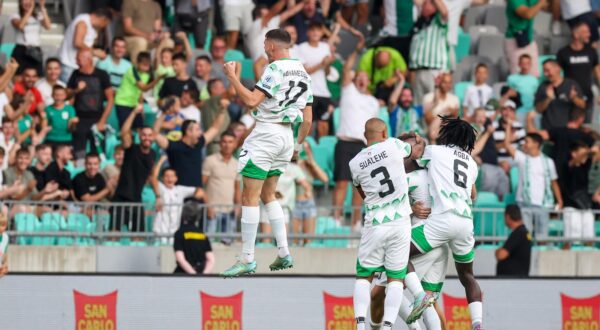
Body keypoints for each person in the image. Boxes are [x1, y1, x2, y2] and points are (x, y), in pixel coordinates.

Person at [220, 29, 313, 277]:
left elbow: (251, 101)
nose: (264, 49)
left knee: (249, 197)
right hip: (286, 136)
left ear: (272, 46)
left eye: (264, 45)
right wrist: (297, 145)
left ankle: (247, 258)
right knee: (269, 194)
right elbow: (307, 120)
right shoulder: (304, 72)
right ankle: (283, 252)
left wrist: (232, 77)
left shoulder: (275, 69)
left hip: (266, 133)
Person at [405, 116, 483, 328]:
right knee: (468, 277)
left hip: (442, 219)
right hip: (466, 224)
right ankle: (477, 323)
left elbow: (412, 159)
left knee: (397, 249)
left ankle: (418, 295)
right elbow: (473, 194)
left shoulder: (435, 151)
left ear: (448, 134)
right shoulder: (472, 164)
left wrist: (418, 143)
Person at [350, 119, 424, 330]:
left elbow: (363, 193)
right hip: (400, 221)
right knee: (396, 278)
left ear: (366, 136)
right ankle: (387, 326)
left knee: (364, 276)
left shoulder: (354, 163)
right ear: (384, 132)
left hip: (375, 222)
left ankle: (360, 326)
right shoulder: (394, 145)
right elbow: (416, 152)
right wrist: (420, 139)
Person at [370, 140, 448, 329]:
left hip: (420, 239)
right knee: (428, 300)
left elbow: (386, 199)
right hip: (440, 242)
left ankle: (411, 328)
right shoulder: (440, 175)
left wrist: (411, 209)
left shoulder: (412, 177)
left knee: (390, 291)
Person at [332, 31, 379, 230]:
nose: (361, 79)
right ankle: (336, 219)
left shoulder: (374, 102)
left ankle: (356, 222)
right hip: (344, 142)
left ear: (368, 82)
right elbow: (347, 68)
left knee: (359, 187)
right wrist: (357, 51)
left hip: (362, 146)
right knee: (342, 183)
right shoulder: (347, 90)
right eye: (358, 76)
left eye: (364, 77)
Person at [503, 126, 563, 239]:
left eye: (527, 142)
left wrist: (559, 201)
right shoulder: (522, 158)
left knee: (542, 237)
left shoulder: (548, 162)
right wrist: (508, 127)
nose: (524, 144)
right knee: (526, 236)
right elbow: (507, 145)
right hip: (523, 203)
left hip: (543, 205)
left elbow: (554, 182)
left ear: (536, 144)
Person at [111, 105, 159, 233]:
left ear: (153, 137)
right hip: (121, 197)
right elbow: (124, 132)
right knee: (113, 233)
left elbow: (151, 175)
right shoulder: (132, 148)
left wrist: (158, 196)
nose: (147, 138)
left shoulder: (153, 154)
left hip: (137, 198)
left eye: (150, 135)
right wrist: (133, 113)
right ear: (139, 136)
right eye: (144, 135)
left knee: (138, 234)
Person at [154, 107, 225, 188]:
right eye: (198, 130)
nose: (201, 132)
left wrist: (222, 110)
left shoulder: (199, 144)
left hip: (195, 193)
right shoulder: (174, 146)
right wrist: (163, 113)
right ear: (188, 132)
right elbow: (155, 134)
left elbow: (215, 128)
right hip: (178, 192)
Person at [526, 107, 595, 190]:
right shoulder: (587, 137)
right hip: (577, 180)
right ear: (581, 119)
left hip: (557, 173)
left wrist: (529, 119)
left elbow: (534, 136)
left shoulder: (559, 131)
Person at [66, 49, 114, 160]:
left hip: (97, 119)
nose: (76, 61)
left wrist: (102, 121)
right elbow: (67, 95)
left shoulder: (102, 75)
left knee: (97, 153)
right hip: (79, 119)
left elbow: (110, 99)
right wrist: (76, 90)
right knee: (79, 154)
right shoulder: (75, 74)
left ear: (89, 60)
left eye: (79, 58)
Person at [151, 156, 205, 244]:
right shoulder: (161, 188)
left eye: (172, 176)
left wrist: (199, 194)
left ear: (176, 179)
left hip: (174, 233)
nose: (169, 178)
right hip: (159, 231)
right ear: (162, 178)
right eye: (167, 176)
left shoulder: (180, 190)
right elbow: (153, 178)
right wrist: (161, 161)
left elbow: (199, 191)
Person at [246, 0, 304, 79]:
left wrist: (305, 2)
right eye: (265, 15)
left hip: (279, 72)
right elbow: (272, 13)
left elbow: (290, 12)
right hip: (263, 73)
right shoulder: (254, 27)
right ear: (257, 17)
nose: (270, 17)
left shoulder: (271, 23)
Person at [556, 22, 600, 122]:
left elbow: (598, 72)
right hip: (569, 97)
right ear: (576, 34)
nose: (589, 34)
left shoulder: (591, 51)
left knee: (587, 126)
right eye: (585, 32)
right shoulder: (563, 52)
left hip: (588, 96)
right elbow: (557, 74)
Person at [202, 131, 241, 244]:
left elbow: (237, 188)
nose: (227, 145)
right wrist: (208, 207)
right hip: (213, 209)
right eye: (224, 142)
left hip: (230, 210)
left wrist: (237, 206)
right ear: (220, 143)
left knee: (228, 244)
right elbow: (201, 186)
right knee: (208, 243)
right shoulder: (210, 160)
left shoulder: (237, 163)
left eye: (230, 142)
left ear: (234, 144)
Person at [297, 22, 334, 138]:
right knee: (308, 124)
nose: (315, 33)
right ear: (307, 32)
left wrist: (327, 64)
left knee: (323, 125)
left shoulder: (325, 47)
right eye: (312, 30)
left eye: (318, 30)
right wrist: (322, 64)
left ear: (322, 33)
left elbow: (327, 72)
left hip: (323, 92)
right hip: (307, 91)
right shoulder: (301, 47)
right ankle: (303, 150)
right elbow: (304, 71)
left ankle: (319, 153)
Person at [409, 0, 450, 103]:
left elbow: (444, 12)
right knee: (418, 105)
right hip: (418, 71)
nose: (424, 5)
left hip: (434, 71)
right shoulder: (419, 23)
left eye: (428, 3)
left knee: (434, 105)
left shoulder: (438, 21)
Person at [58, 9, 112, 83]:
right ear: (103, 19)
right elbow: (77, 42)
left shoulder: (91, 27)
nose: (103, 27)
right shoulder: (83, 22)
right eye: (105, 24)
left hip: (77, 66)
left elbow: (86, 45)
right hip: (69, 64)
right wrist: (95, 52)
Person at [561, 142, 598, 249]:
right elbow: (575, 162)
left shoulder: (586, 165)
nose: (586, 156)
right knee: (571, 237)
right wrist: (588, 151)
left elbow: (596, 155)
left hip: (585, 204)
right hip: (571, 205)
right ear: (573, 153)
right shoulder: (567, 164)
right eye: (583, 153)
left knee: (589, 235)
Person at [114, 52, 164, 129]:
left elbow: (140, 92)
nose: (145, 68)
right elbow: (143, 88)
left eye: (147, 66)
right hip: (123, 103)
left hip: (134, 104)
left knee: (139, 129)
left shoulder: (146, 75)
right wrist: (158, 79)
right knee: (126, 129)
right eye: (143, 65)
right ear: (137, 63)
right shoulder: (132, 71)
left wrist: (142, 107)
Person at [291, 142, 328, 245]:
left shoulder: (310, 167)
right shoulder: (289, 167)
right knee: (293, 242)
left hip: (308, 204)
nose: (304, 151)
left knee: (309, 242)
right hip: (294, 204)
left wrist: (312, 162)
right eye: (302, 148)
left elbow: (325, 179)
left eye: (307, 149)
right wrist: (296, 161)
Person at [535, 59, 586, 130]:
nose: (545, 74)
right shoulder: (543, 86)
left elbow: (583, 105)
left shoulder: (571, 84)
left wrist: (574, 98)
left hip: (568, 129)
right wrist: (548, 99)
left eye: (548, 70)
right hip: (549, 130)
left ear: (557, 68)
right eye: (544, 71)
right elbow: (538, 109)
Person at [472, 108, 510, 200]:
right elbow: (471, 150)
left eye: (483, 117)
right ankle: (482, 208)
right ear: (474, 118)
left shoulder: (488, 128)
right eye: (478, 116)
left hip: (496, 165)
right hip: (484, 166)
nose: (481, 119)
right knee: (487, 193)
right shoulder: (472, 128)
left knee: (504, 185)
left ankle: (502, 208)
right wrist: (475, 157)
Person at [122, 0, 171, 66]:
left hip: (150, 39)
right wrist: (145, 35)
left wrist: (161, 35)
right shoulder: (129, 2)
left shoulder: (155, 5)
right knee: (141, 42)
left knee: (168, 42)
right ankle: (138, 73)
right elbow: (127, 28)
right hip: (131, 39)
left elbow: (157, 28)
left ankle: (162, 73)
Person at [10, 0, 52, 76]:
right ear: (20, 2)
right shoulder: (16, 15)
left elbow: (48, 26)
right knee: (19, 76)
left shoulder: (38, 16)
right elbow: (20, 25)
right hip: (22, 49)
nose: (27, 2)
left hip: (35, 50)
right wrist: (30, 11)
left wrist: (42, 7)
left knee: (37, 75)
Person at [505, 0, 544, 77]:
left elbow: (546, 7)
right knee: (518, 75)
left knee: (534, 75)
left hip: (529, 39)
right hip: (514, 40)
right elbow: (528, 14)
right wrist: (542, 1)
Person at [174, 202, 215, 274]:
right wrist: (203, 275)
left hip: (182, 276)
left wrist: (193, 274)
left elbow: (180, 259)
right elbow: (211, 259)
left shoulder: (179, 233)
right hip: (201, 276)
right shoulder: (202, 235)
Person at [496, 204, 532, 276]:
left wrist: (497, 252)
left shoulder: (519, 233)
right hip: (517, 279)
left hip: (513, 280)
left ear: (507, 217)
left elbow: (501, 255)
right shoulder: (524, 232)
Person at [423, 73, 459, 143]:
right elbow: (428, 120)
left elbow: (456, 118)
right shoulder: (428, 97)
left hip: (448, 131)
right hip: (432, 132)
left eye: (449, 82)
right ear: (439, 82)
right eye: (445, 82)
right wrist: (444, 113)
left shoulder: (454, 99)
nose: (447, 85)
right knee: (433, 133)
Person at [493, 100, 526, 171]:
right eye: (505, 109)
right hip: (499, 158)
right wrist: (508, 141)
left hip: (514, 157)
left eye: (511, 110)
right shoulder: (494, 127)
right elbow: (492, 148)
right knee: (505, 166)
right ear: (501, 112)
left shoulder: (519, 127)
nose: (507, 113)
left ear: (514, 113)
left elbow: (523, 147)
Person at [0, 213, 9, 278]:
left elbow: (5, 252)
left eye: (4, 225)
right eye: (1, 225)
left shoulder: (5, 237)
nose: (4, 227)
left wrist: (5, 264)